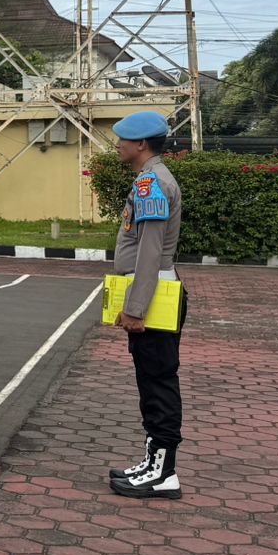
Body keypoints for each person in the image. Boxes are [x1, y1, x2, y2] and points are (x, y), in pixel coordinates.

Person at [107, 111, 186, 500]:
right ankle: (154, 460)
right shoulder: (151, 178)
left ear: (141, 144)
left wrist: (136, 307)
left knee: (158, 383)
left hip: (155, 298)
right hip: (155, 294)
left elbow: (150, 251)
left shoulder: (151, 183)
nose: (117, 144)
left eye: (123, 139)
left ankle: (164, 472)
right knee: (151, 380)